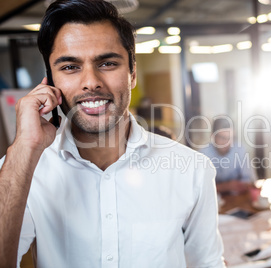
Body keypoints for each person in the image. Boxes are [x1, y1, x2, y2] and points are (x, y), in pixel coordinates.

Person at [0, 1, 224, 267]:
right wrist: (24, 147)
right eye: (70, 67)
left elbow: (207, 263)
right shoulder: (21, 170)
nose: (91, 81)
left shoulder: (192, 169)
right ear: (50, 82)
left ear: (132, 75)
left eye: (107, 63)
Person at [199, 117, 254, 195]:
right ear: (213, 136)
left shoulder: (240, 149)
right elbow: (200, 187)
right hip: (213, 200)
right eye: (222, 138)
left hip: (237, 198)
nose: (227, 143)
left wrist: (245, 184)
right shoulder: (203, 154)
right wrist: (225, 187)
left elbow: (249, 179)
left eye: (230, 138)